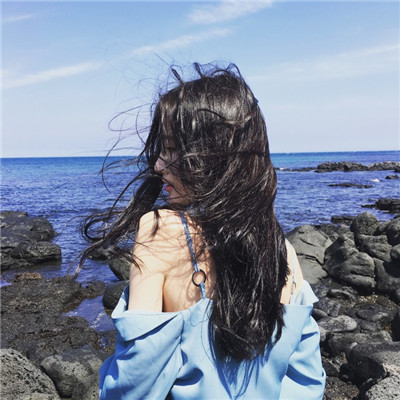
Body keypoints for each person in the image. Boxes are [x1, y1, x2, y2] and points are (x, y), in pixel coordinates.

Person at [80, 63, 326, 399]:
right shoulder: (284, 252)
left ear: (216, 154)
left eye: (172, 149)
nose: (158, 165)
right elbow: (308, 383)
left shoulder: (160, 229)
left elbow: (134, 385)